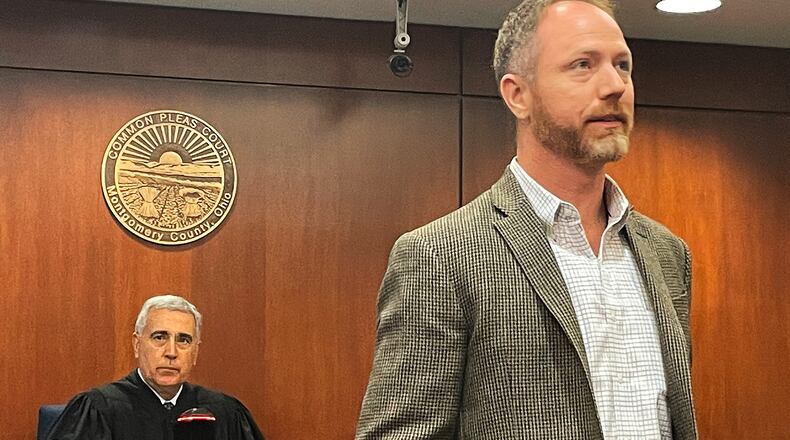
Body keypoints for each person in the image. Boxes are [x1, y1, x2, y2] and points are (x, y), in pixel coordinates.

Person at [355, 1, 696, 439]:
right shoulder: (437, 257)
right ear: (518, 94)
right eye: (582, 65)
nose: (615, 85)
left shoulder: (667, 254)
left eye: (623, 65)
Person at [47, 295, 265, 440]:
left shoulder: (225, 412)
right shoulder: (99, 410)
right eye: (159, 337)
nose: (171, 352)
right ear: (137, 344)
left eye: (184, 340)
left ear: (195, 352)